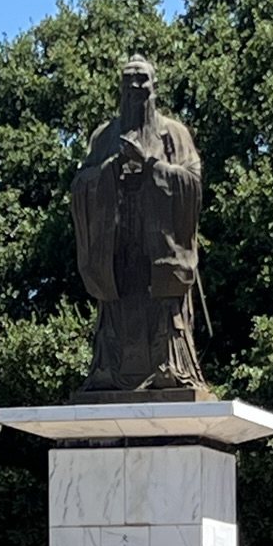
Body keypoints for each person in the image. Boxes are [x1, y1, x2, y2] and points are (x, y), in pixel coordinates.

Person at [69, 54, 208, 397]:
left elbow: (192, 184)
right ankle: (109, 370)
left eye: (141, 79)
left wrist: (151, 165)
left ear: (154, 85)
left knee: (165, 319)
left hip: (159, 247)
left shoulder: (174, 134)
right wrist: (111, 169)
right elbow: (80, 187)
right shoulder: (105, 137)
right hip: (118, 247)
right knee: (116, 314)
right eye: (128, 79)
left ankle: (170, 367)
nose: (135, 86)